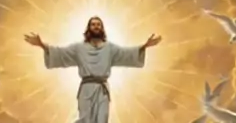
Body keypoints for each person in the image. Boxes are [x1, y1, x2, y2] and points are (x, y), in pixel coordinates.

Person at [24, 16, 161, 123]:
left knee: (102, 119)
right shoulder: (79, 48)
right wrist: (41, 44)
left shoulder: (110, 48)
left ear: (102, 28)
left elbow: (127, 53)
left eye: (98, 24)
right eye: (93, 24)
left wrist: (145, 46)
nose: (96, 26)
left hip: (102, 90)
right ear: (88, 28)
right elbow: (61, 53)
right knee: (85, 120)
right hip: (86, 89)